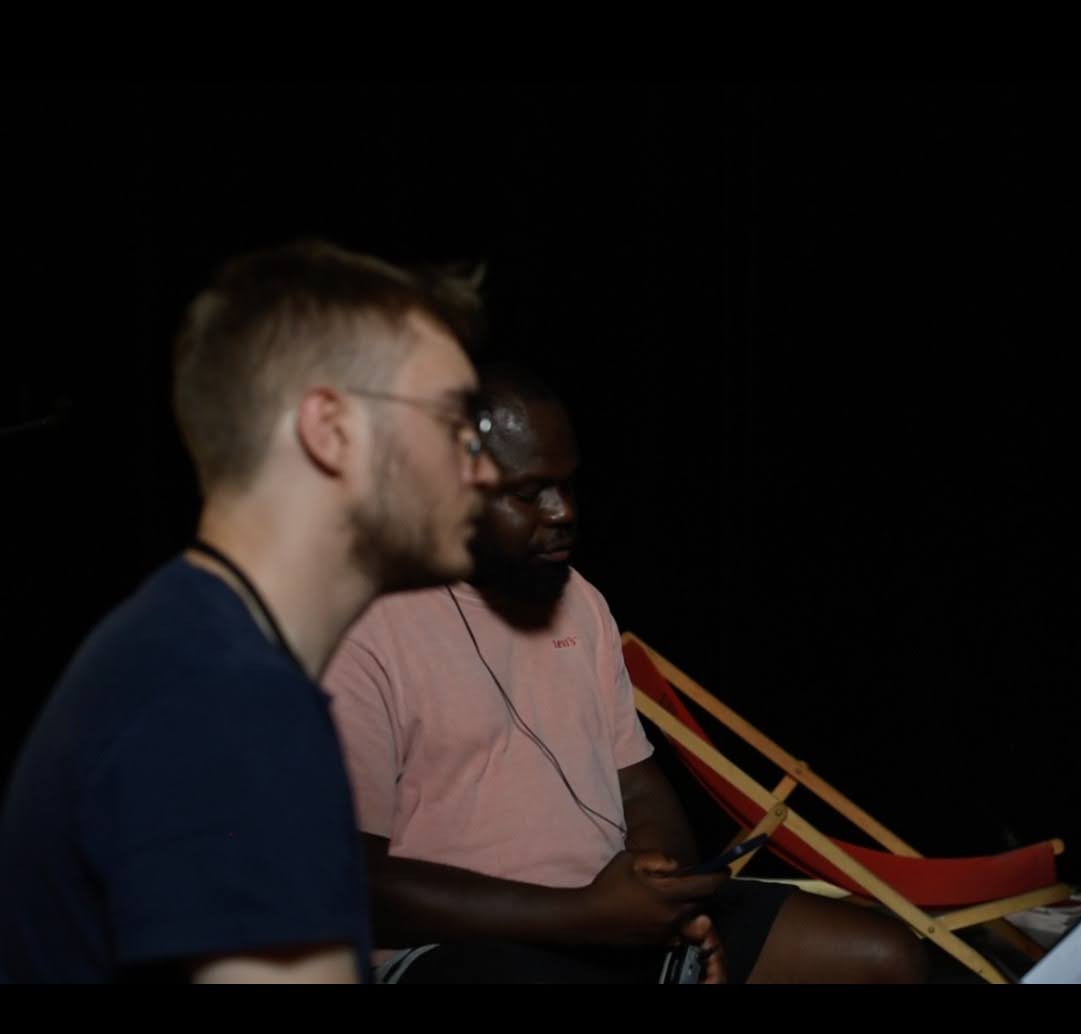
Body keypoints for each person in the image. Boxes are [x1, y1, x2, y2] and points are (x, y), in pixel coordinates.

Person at [322, 361, 929, 983]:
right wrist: (585, 918)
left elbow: (638, 787)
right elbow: (351, 881)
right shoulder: (358, 627)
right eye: (530, 494)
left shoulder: (579, 599)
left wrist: (658, 890)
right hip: (462, 945)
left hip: (610, 919)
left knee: (886, 958)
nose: (563, 512)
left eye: (568, 485)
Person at [0, 241, 500, 982]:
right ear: (331, 429)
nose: (484, 468)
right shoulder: (228, 701)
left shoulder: (178, 651)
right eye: (455, 422)